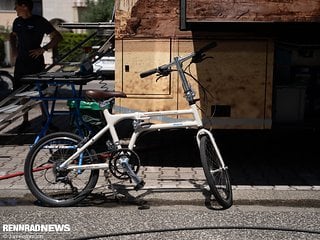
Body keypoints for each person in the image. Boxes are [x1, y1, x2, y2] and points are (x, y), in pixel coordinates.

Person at [10, 0, 63, 129]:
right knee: (21, 92)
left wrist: (43, 49)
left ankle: (46, 120)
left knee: (41, 92)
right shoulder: (17, 22)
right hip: (21, 63)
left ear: (24, 6)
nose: (15, 8)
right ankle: (25, 121)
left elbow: (57, 37)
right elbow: (12, 36)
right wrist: (14, 51)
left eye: (16, 6)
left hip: (36, 62)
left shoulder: (39, 21)